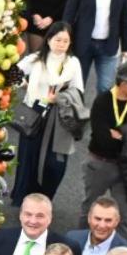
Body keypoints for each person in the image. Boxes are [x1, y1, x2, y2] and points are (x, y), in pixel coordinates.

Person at [13, 22, 85, 205]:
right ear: (49, 39)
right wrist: (24, 85)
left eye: (66, 41)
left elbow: (78, 92)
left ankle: (46, 198)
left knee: (55, 163)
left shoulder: (73, 63)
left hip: (59, 117)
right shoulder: (35, 59)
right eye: (58, 39)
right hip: (34, 115)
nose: (61, 44)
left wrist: (59, 98)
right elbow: (12, 73)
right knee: (29, 159)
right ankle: (25, 200)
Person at [79, 60, 127, 240]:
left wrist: (121, 134)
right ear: (124, 84)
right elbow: (103, 139)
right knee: (90, 209)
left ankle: (121, 252)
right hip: (100, 164)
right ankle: (80, 243)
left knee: (124, 216)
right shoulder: (102, 101)